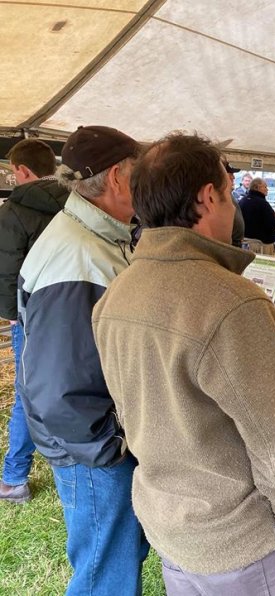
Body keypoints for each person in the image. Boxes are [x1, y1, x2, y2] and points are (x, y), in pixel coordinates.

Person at [92, 132, 275, 594]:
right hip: (249, 541)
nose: (232, 206)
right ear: (207, 197)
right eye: (228, 193)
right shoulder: (230, 301)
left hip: (171, 527)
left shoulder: (117, 293)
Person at [17, 126, 148, 594]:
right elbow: (58, 385)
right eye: (141, 173)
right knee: (104, 575)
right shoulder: (77, 254)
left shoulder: (93, 238)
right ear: (117, 177)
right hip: (91, 450)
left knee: (114, 560)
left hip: (93, 441)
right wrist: (110, 447)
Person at [0, 139, 67, 504]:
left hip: (31, 314)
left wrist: (11, 314)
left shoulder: (13, 210)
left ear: (23, 171)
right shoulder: (77, 201)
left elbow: (7, 270)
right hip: (75, 312)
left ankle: (14, 477)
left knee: (27, 393)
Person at [239, 177, 275, 252]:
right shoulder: (263, 204)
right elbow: (272, 224)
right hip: (261, 247)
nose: (267, 189)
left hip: (245, 245)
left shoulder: (242, 201)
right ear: (257, 187)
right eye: (265, 186)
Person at [222, 158, 245, 247]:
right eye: (230, 173)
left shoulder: (229, 194)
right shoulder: (221, 195)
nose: (233, 177)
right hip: (229, 245)